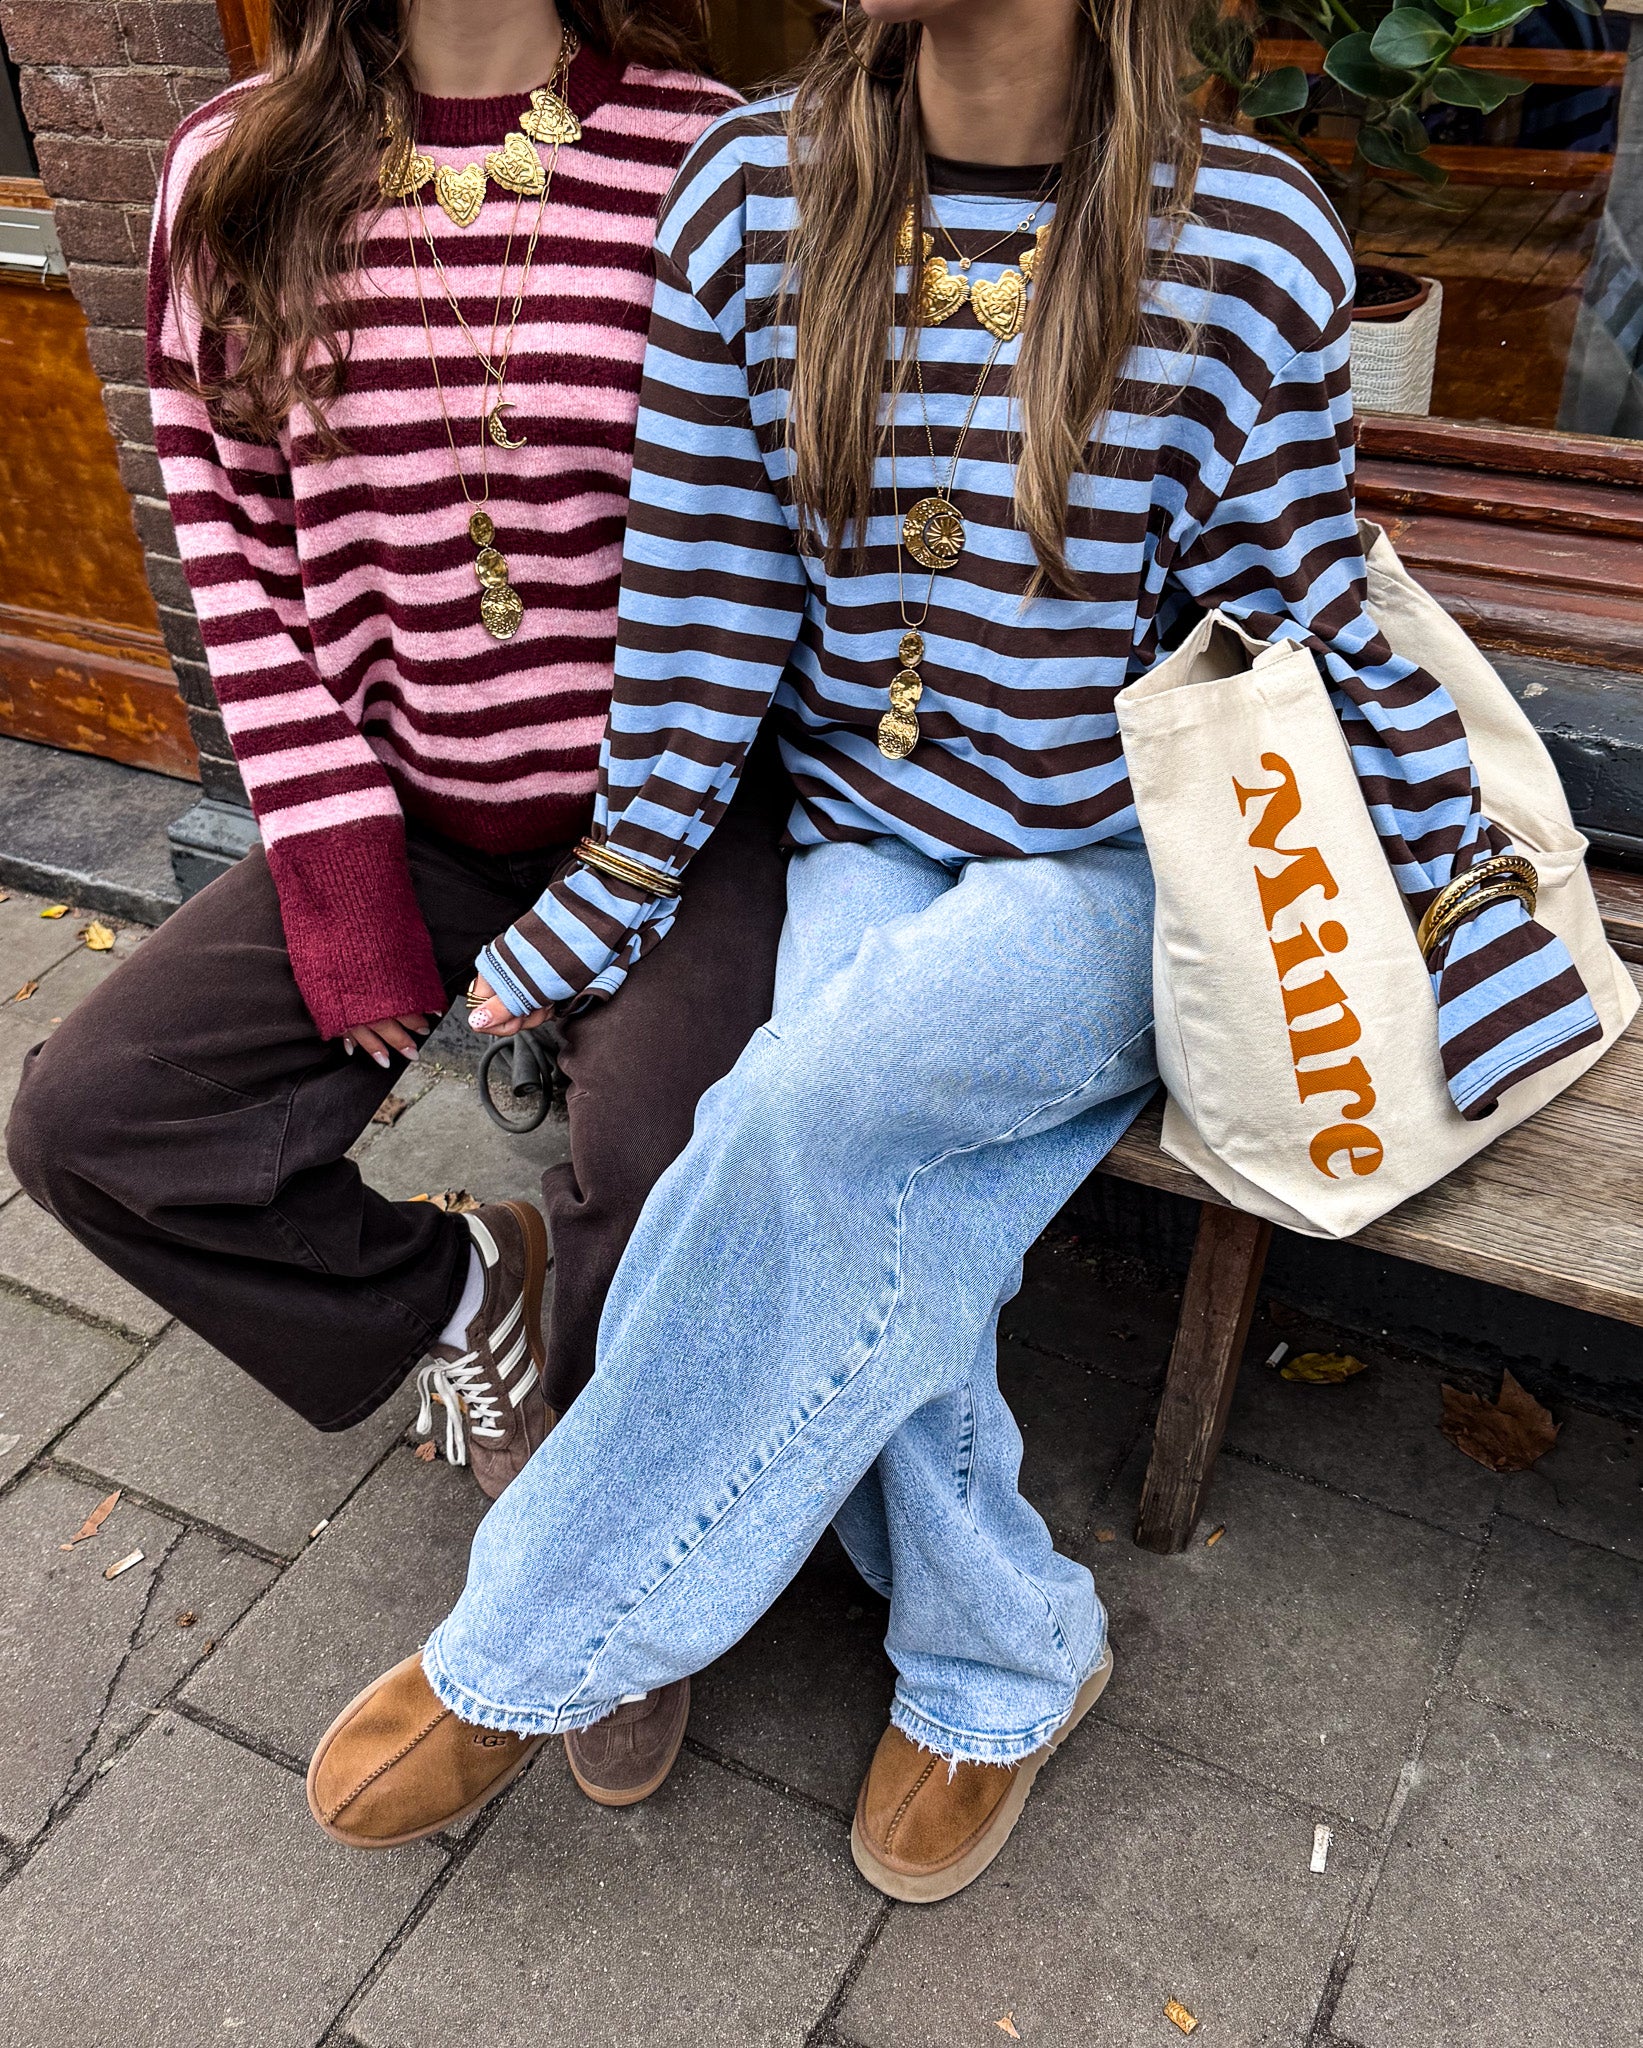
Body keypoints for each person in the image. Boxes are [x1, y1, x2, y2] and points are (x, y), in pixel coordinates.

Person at [303, 0, 1598, 1895]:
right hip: (865, 823)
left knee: (811, 1106)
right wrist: (611, 888)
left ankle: (520, 1645)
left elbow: (1308, 620)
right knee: (878, 1201)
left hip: (1119, 866)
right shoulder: (751, 191)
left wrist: (1469, 924)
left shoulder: (1241, 233)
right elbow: (703, 601)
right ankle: (1006, 1657)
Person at [3, 0, 790, 1548]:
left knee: (670, 1160)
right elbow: (235, 563)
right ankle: (466, 1294)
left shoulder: (709, 156)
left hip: (674, 814)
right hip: (410, 811)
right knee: (94, 1123)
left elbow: (760, 559)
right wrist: (341, 880)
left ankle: (612, 1499)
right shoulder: (232, 170)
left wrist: (636, 861)